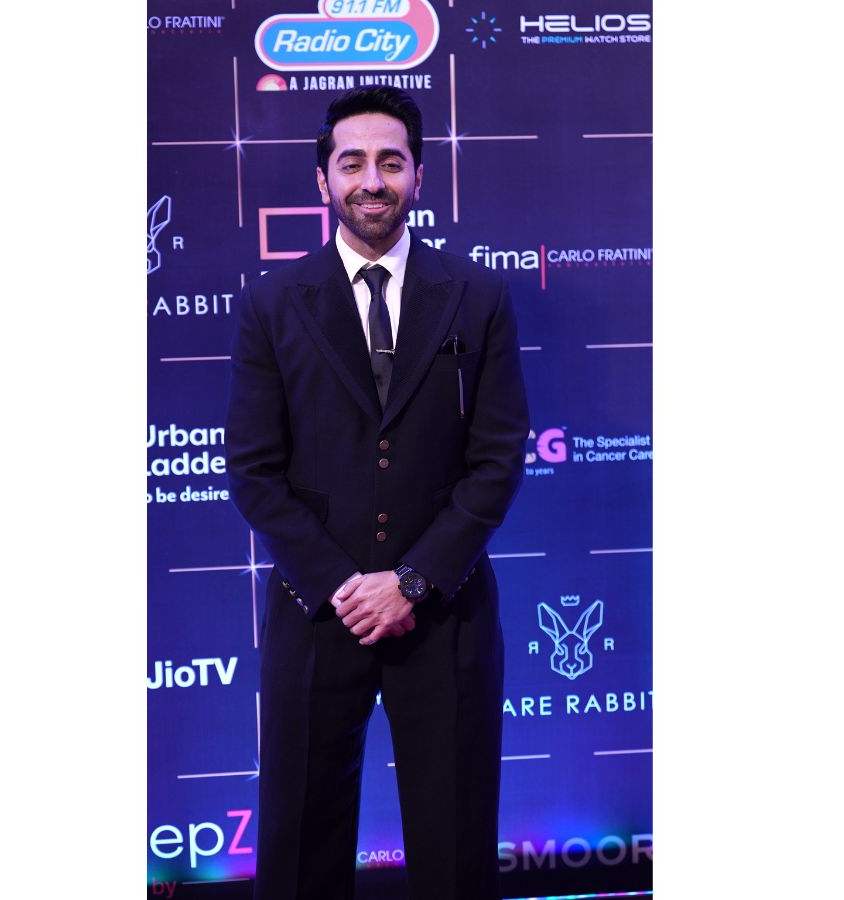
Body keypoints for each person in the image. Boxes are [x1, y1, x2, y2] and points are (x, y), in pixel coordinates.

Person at [226, 86, 529, 900]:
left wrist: (414, 580)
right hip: (317, 612)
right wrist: (343, 585)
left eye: (390, 163)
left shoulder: (480, 295)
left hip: (446, 613)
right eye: (352, 162)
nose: (371, 180)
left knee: (456, 850)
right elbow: (253, 470)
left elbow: (497, 460)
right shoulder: (270, 304)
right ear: (322, 180)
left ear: (419, 177)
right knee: (299, 852)